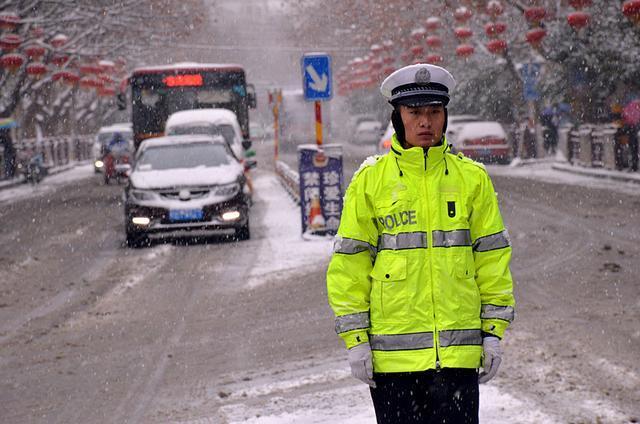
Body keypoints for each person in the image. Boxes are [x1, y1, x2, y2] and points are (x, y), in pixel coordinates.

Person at [326, 64, 515, 424]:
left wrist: (493, 334)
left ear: (445, 116)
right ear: (398, 118)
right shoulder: (370, 182)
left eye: (434, 112)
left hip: (458, 358)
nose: (425, 122)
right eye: (415, 113)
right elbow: (349, 266)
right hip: (392, 363)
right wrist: (355, 340)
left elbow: (492, 262)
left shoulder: (472, 180)